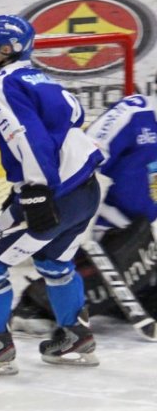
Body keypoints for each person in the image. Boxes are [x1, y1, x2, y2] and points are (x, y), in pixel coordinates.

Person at [0, 15, 104, 376]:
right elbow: (74, 115)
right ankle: (75, 335)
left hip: (53, 191)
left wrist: (35, 190)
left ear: (6, 50)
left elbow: (26, 137)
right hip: (85, 191)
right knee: (55, 263)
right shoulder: (44, 79)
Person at [11, 93, 157, 335]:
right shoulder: (132, 114)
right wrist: (81, 220)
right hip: (110, 228)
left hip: (145, 235)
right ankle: (35, 303)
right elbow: (82, 158)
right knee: (85, 278)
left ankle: (121, 297)